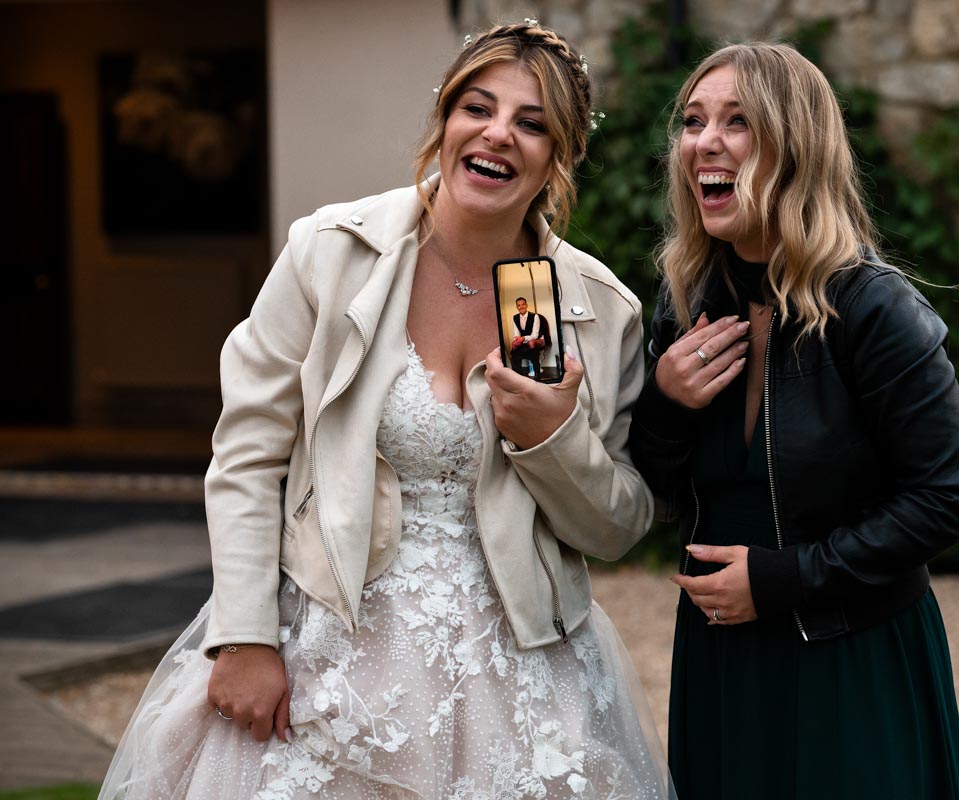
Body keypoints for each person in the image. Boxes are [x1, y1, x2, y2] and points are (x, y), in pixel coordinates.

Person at [101, 21, 671, 800]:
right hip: (328, 654)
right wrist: (243, 637)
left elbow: (614, 528)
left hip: (521, 673)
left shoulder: (596, 308)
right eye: (478, 107)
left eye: (532, 123)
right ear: (446, 118)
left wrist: (552, 438)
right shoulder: (330, 253)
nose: (498, 133)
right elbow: (247, 456)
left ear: (560, 156)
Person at [630, 42, 959, 798]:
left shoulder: (872, 306)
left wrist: (786, 578)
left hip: (849, 655)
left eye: (738, 122)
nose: (705, 143)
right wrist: (663, 401)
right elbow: (657, 491)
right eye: (693, 121)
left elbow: (948, 495)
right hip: (723, 661)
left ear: (796, 146)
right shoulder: (685, 301)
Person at [511, 296, 552, 378]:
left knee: (531, 343)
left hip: (538, 339)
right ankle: (518, 374)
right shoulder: (515, 318)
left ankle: (537, 372)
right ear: (517, 307)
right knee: (513, 344)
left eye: (523, 304)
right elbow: (516, 333)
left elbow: (535, 335)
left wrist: (523, 338)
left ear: (526, 305)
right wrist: (517, 339)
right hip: (525, 339)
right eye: (519, 305)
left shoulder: (535, 316)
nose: (521, 307)